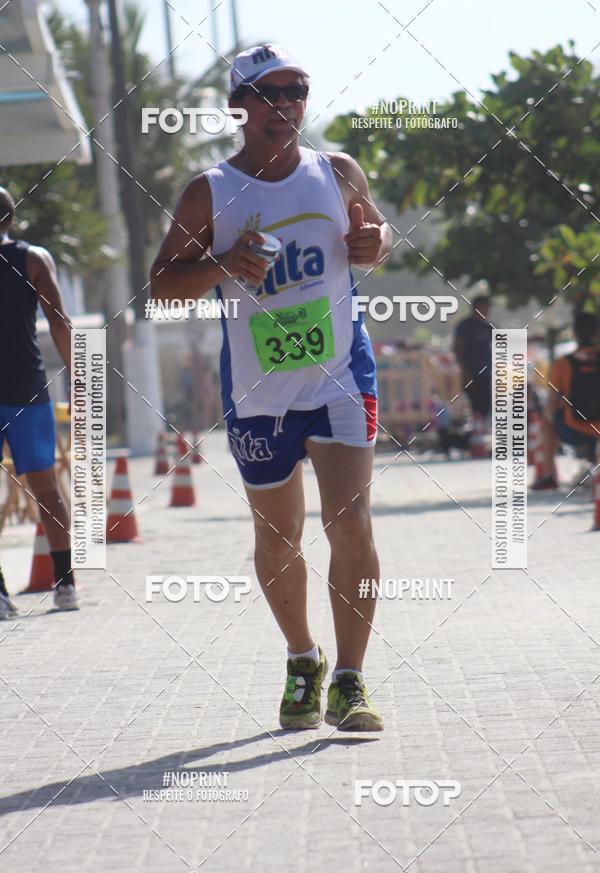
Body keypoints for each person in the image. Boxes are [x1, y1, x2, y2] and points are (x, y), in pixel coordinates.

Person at [151, 45, 392, 731]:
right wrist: (222, 264)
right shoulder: (210, 193)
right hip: (258, 392)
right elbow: (161, 286)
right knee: (278, 536)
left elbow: (373, 234)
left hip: (342, 375)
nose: (286, 104)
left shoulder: (336, 172)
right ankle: (302, 659)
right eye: (270, 92)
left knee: (349, 523)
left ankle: (349, 680)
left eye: (298, 90)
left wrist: (379, 242)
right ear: (240, 106)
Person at [0, 188, 80, 614]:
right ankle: (65, 584)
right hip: (28, 391)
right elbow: (60, 322)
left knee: (46, 490)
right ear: (12, 218)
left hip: (23, 393)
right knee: (47, 488)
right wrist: (79, 379)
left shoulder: (32, 258)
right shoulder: (34, 259)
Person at [532, 311, 600, 491]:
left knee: (546, 422)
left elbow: (550, 406)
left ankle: (549, 476)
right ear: (597, 334)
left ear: (574, 335)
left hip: (576, 428)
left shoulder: (564, 363)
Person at [453, 296, 492, 418]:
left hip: (485, 376)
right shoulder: (465, 326)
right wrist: (465, 374)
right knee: (471, 409)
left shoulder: (487, 326)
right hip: (470, 375)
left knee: (484, 409)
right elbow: (458, 350)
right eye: (484, 308)